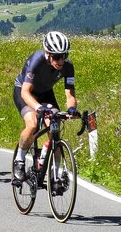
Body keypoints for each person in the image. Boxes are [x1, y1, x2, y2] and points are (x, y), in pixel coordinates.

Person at [12, 31, 78, 182]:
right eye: (56, 57)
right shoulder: (36, 60)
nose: (61, 61)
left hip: (45, 93)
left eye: (64, 55)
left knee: (55, 126)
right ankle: (19, 160)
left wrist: (72, 110)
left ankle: (54, 174)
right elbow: (25, 92)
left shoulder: (68, 67)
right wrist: (38, 108)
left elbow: (70, 95)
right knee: (33, 123)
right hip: (24, 91)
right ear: (47, 53)